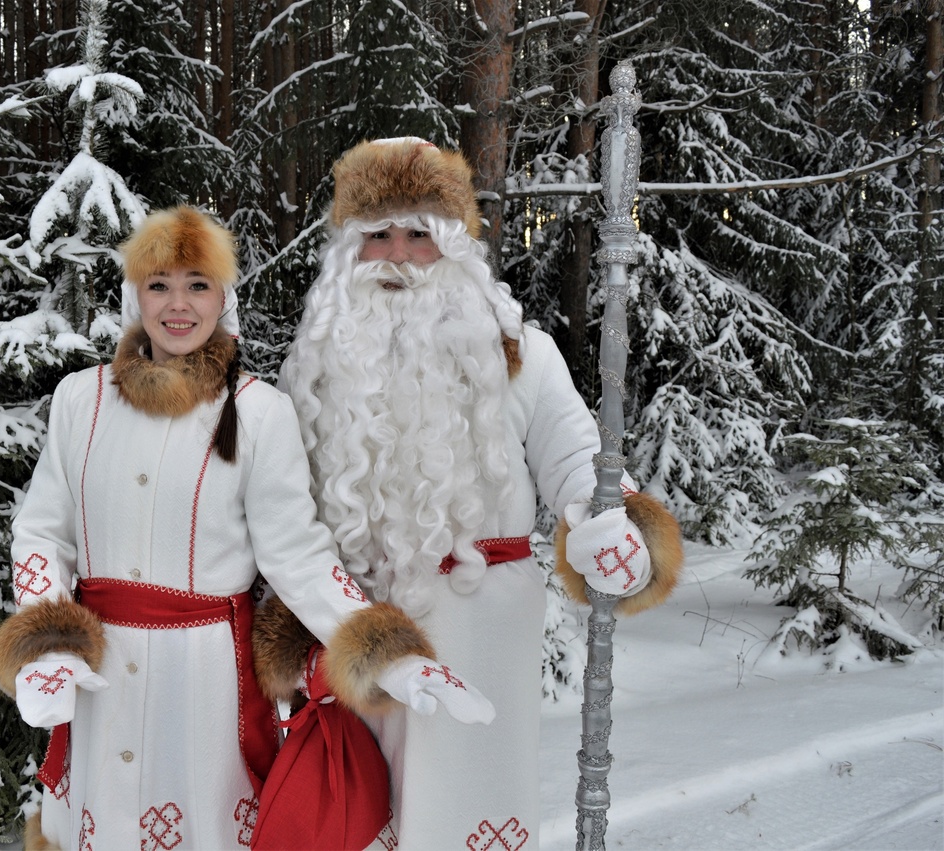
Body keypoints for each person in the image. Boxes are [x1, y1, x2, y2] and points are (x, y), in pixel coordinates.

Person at [0, 205, 494, 851]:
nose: (178, 304)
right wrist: (49, 644)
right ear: (133, 293)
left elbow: (299, 556)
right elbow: (42, 531)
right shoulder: (78, 399)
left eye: (198, 284)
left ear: (224, 297)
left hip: (204, 685)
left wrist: (386, 652)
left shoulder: (260, 411)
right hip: (99, 677)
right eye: (160, 283)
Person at [256, 138, 686, 849]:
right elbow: (278, 517)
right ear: (347, 252)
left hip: (479, 638)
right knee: (358, 814)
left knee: (465, 816)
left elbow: (580, 458)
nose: (397, 253)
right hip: (356, 636)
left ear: (453, 246)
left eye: (419, 234)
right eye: (378, 236)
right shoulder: (313, 372)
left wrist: (614, 529)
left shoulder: (523, 355)